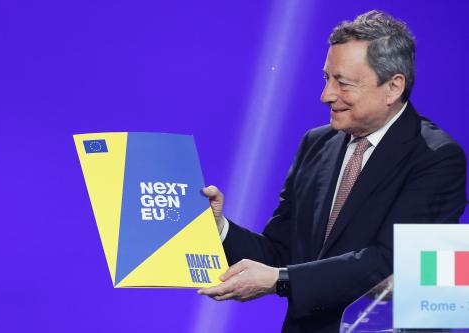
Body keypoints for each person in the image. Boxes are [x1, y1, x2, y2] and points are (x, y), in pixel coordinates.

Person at [198, 10, 467, 333]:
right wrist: (219, 230)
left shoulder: (436, 157)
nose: (326, 95)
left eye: (343, 83)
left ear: (393, 87)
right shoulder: (316, 144)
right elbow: (281, 251)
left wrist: (280, 281)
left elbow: (390, 264)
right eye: (326, 78)